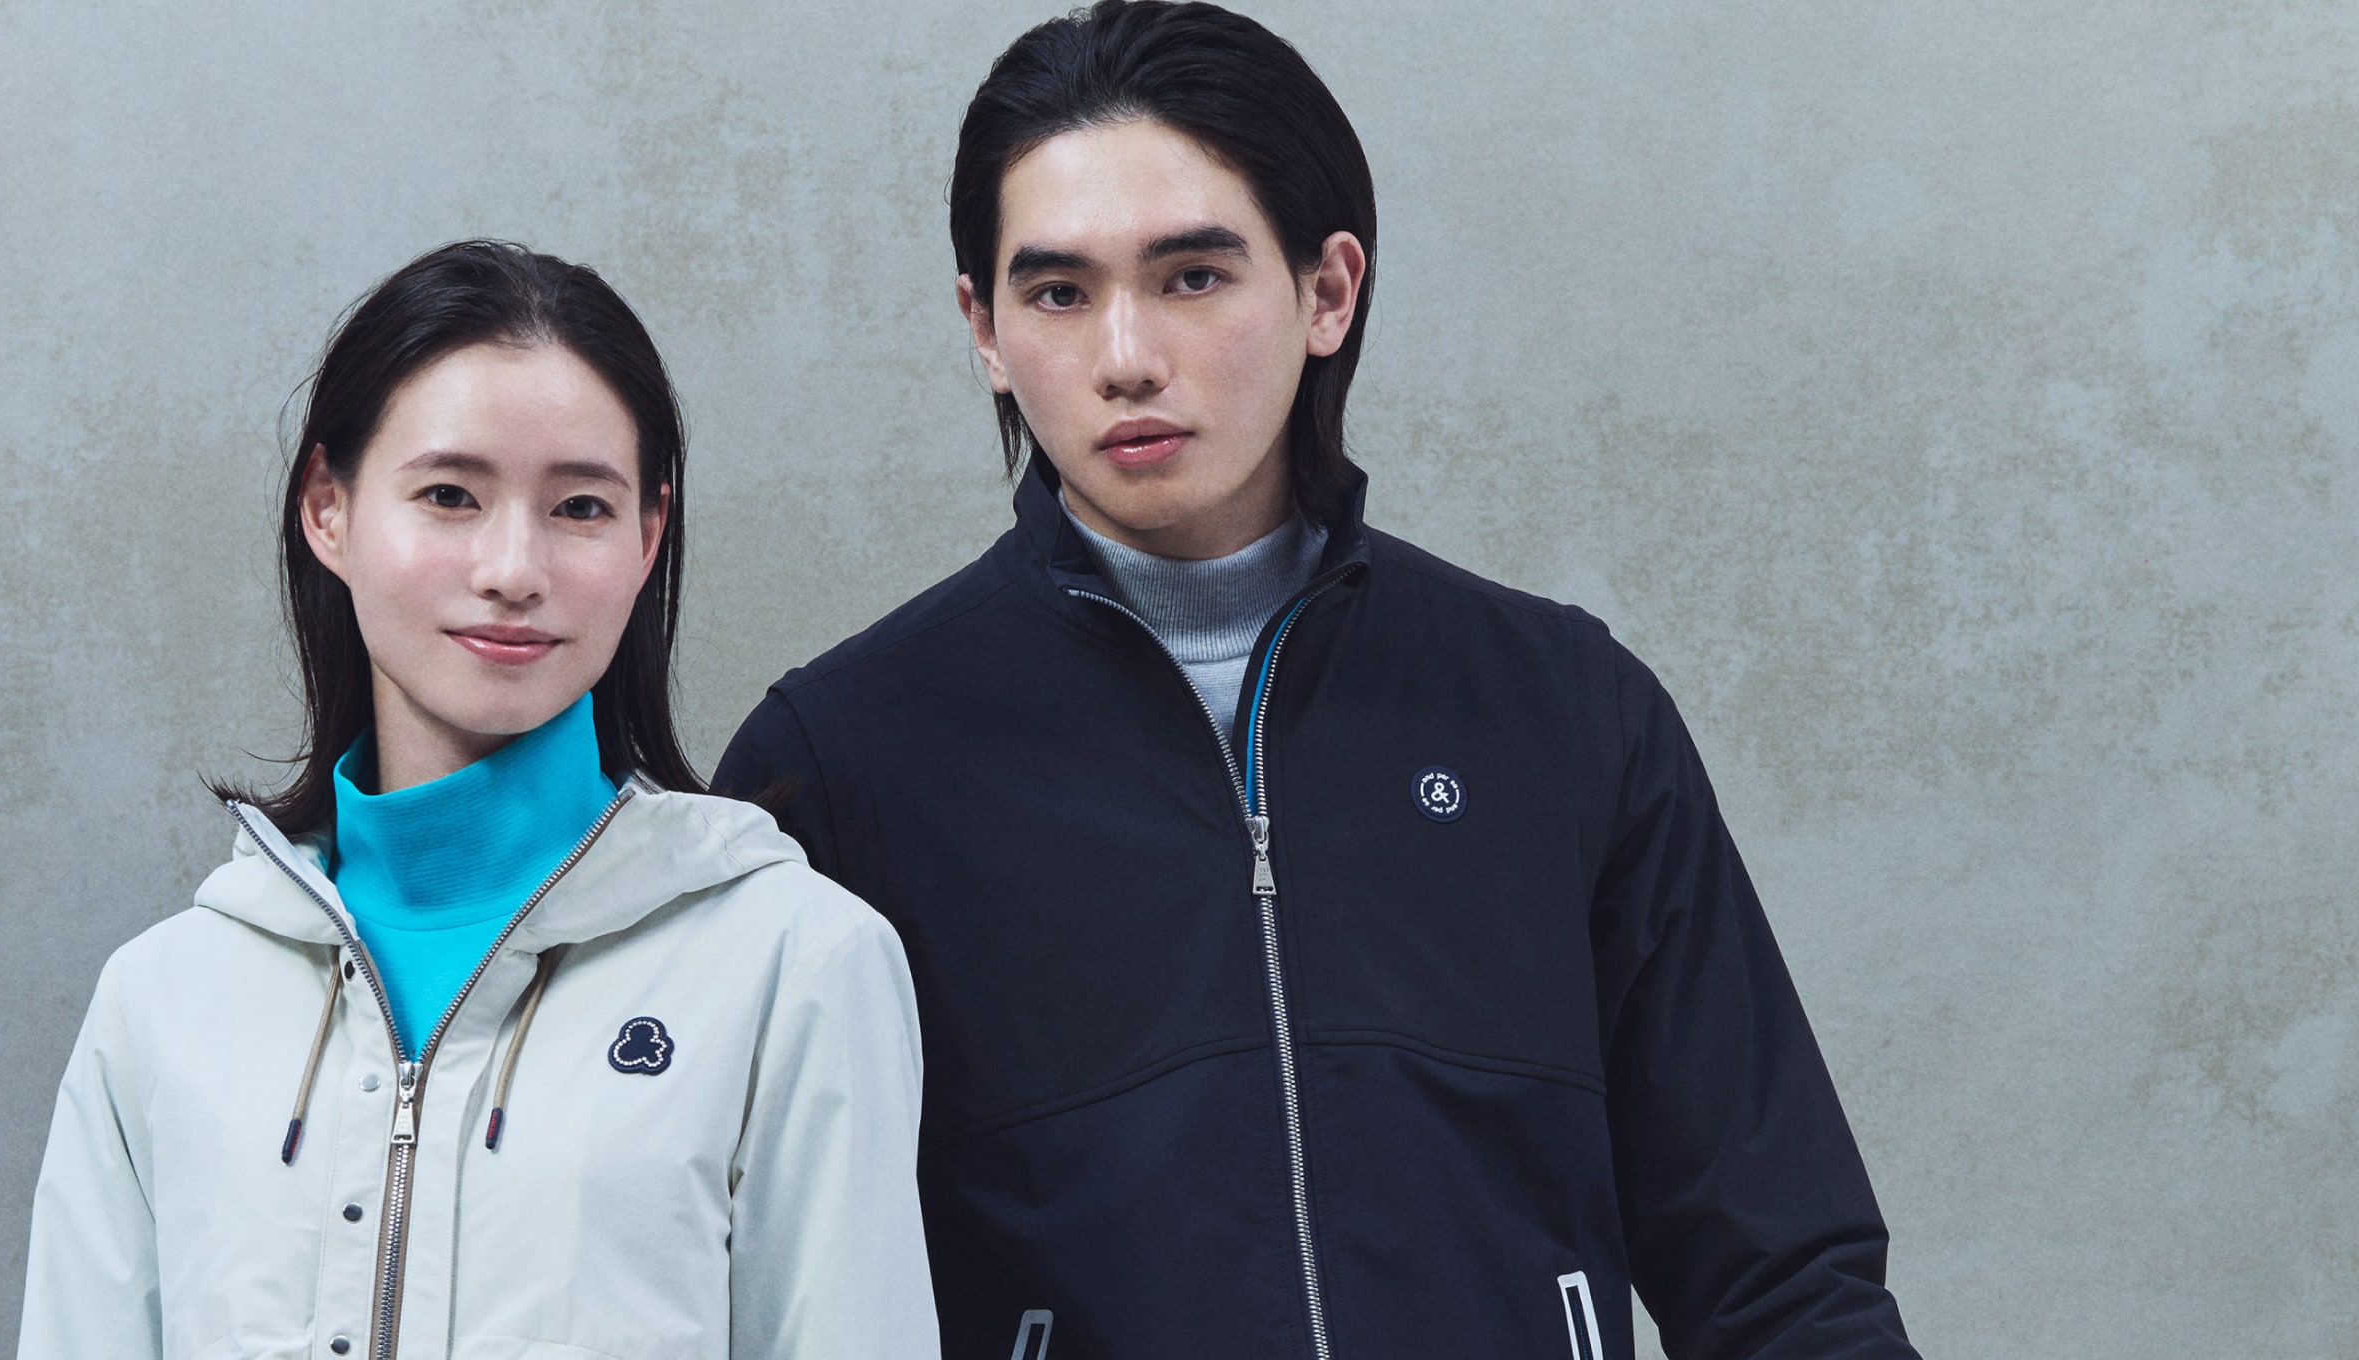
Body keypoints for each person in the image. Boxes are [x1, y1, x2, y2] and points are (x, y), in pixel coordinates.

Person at [715, 5, 1922, 1359]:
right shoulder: (846, 766)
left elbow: (1781, 1275)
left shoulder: (1562, 711)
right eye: (1058, 293)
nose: (1127, 356)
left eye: (1192, 277)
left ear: (1327, 292)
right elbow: (741, 1281)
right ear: (983, 328)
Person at [19, 241, 937, 1360]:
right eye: (450, 495)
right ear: (328, 509)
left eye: (581, 507)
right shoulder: (163, 999)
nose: (514, 569)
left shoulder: (797, 965)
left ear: (649, 534)